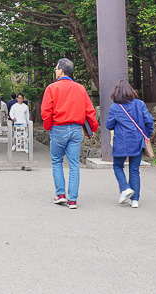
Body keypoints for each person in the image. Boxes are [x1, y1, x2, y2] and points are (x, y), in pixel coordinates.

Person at [41, 58, 98, 209]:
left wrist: (49, 126)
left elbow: (46, 112)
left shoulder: (52, 88)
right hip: (75, 129)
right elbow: (89, 111)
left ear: (61, 70)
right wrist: (92, 128)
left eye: (56, 68)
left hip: (58, 128)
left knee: (57, 161)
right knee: (74, 165)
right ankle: (72, 200)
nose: (55, 70)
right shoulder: (80, 88)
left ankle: (61, 195)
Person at [106, 80, 154, 208]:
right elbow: (149, 120)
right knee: (134, 170)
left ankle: (125, 188)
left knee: (117, 166)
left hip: (121, 142)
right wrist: (147, 134)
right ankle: (135, 200)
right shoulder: (140, 104)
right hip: (137, 141)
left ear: (116, 93)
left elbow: (108, 125)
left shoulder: (115, 107)